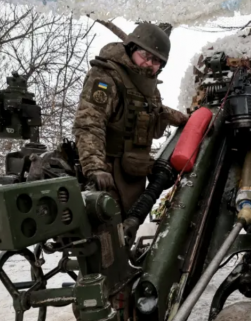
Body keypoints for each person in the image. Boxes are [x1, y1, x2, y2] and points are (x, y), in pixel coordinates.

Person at [73, 22, 188, 220]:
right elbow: (90, 122)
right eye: (146, 56)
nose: (150, 64)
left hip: (134, 175)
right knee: (107, 239)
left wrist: (184, 119)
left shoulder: (149, 88)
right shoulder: (106, 76)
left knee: (126, 235)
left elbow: (155, 112)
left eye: (157, 61)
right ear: (132, 48)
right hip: (107, 175)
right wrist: (95, 167)